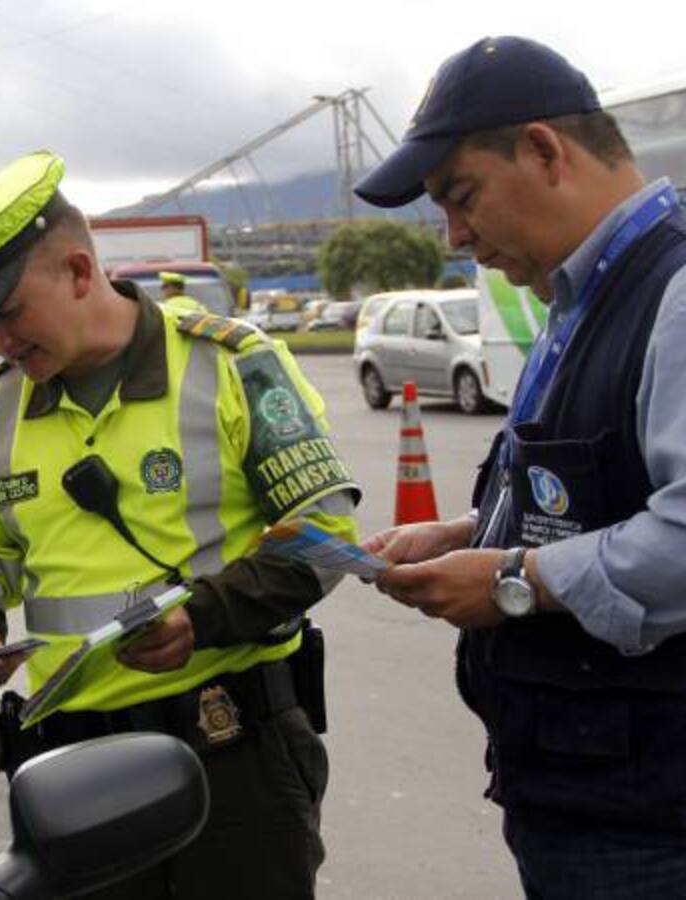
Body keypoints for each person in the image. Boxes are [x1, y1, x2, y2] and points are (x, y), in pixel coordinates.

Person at [0, 150, 361, 899]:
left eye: (9, 314)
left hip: (230, 748)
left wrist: (203, 618)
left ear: (80, 272)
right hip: (77, 771)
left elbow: (328, 535)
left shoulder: (231, 364)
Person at [354, 36, 686, 896]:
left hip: (650, 825)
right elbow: (595, 490)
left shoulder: (674, 291)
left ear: (544, 150)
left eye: (461, 197)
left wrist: (511, 580)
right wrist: (471, 531)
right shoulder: (582, 296)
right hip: (587, 791)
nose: (457, 237)